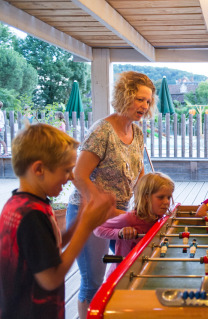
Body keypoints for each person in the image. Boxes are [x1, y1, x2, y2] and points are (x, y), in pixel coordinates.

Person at [0, 123, 116, 319]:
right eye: (67, 170)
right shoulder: (32, 215)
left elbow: (47, 246)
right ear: (39, 169)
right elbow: (51, 278)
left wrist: (79, 221)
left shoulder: (19, 203)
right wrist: (86, 227)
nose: (71, 177)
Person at [66, 71, 156, 318]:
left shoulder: (137, 132)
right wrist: (101, 204)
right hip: (88, 213)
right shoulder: (102, 130)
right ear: (124, 96)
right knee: (92, 282)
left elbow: (139, 174)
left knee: (120, 275)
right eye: (139, 99)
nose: (144, 106)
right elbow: (79, 175)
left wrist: (147, 201)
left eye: (148, 101)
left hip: (119, 213)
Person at [93, 172, 174, 276]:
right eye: (161, 197)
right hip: (122, 274)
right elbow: (97, 228)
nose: (166, 202)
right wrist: (119, 232)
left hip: (144, 271)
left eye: (169, 197)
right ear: (146, 197)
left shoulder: (162, 219)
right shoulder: (129, 219)